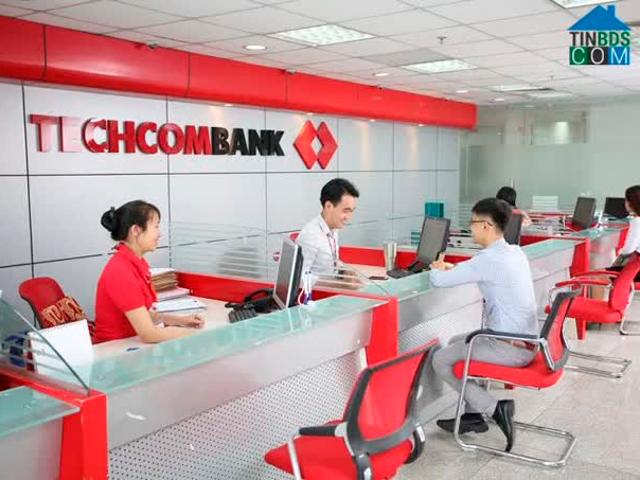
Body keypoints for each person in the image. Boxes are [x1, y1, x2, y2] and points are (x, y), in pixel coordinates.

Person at [429, 198, 538, 452]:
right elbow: (476, 270)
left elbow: (438, 281)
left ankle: (494, 408)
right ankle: (473, 414)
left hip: (509, 347)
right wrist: (452, 268)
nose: (470, 227)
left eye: (473, 222)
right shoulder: (514, 251)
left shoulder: (488, 260)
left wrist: (435, 267)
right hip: (525, 342)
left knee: (441, 360)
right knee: (456, 341)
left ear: (486, 225)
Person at [94, 200, 204, 344]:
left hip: (130, 343)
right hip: (112, 349)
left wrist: (181, 321)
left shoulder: (136, 262)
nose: (160, 234)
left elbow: (144, 315)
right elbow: (149, 335)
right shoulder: (120, 271)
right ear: (136, 230)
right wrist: (198, 336)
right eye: (156, 226)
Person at [296, 178, 359, 276]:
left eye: (351, 211)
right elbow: (299, 277)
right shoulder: (311, 235)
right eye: (345, 211)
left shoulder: (333, 228)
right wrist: (328, 282)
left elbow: (330, 262)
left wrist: (343, 271)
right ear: (328, 206)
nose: (348, 217)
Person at [608, 185, 640, 279]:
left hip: (635, 271)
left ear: (631, 203)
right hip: (637, 267)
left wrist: (619, 253)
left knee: (600, 275)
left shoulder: (637, 221)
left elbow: (628, 250)